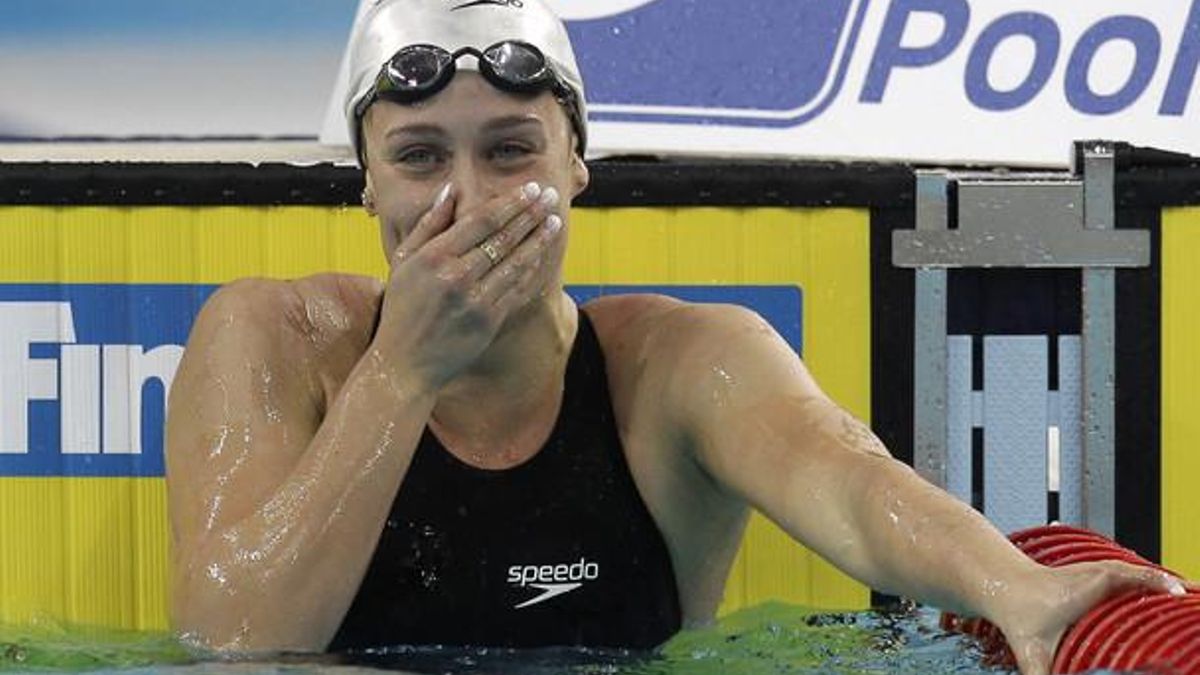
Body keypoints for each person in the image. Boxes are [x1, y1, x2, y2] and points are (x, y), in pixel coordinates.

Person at [164, 1, 1187, 672]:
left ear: (577, 167)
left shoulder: (679, 367)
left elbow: (852, 485)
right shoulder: (275, 337)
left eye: (511, 150)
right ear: (367, 183)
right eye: (420, 157)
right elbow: (229, 636)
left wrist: (1021, 590)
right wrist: (401, 373)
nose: (466, 201)